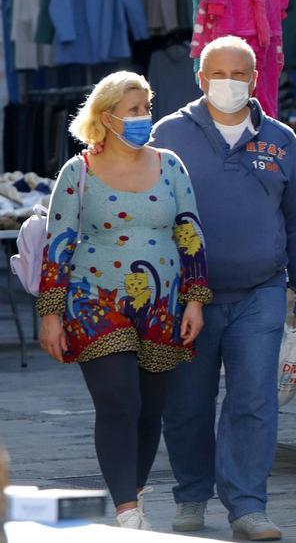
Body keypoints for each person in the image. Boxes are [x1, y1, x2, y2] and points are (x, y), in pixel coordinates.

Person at [150, 35, 296, 541]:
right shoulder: (168, 134)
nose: (229, 83)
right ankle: (190, 494)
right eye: (219, 74)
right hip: (186, 299)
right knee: (187, 403)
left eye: (240, 74)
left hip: (260, 292)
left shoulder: (280, 140)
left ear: (254, 79)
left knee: (253, 401)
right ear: (201, 79)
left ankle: (248, 506)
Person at [36, 71, 210, 530]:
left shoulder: (170, 164)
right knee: (119, 400)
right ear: (106, 117)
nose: (142, 118)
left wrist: (195, 301)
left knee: (150, 407)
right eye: (133, 111)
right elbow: (59, 244)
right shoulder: (78, 172)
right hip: (95, 303)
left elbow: (189, 232)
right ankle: (126, 512)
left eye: (145, 108)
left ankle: (131, 492)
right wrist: (51, 315)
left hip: (163, 305)